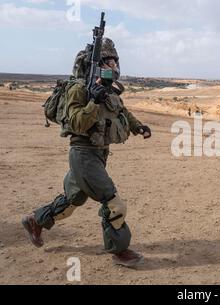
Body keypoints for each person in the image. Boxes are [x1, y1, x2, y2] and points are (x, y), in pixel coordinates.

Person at [22, 38, 152, 267]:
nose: (114, 66)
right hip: (83, 154)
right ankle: (120, 251)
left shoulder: (109, 89)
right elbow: (76, 124)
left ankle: (36, 220)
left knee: (72, 200)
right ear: (98, 63)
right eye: (109, 61)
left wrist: (138, 126)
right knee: (114, 204)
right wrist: (93, 100)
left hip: (99, 153)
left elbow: (121, 110)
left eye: (115, 61)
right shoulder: (79, 89)